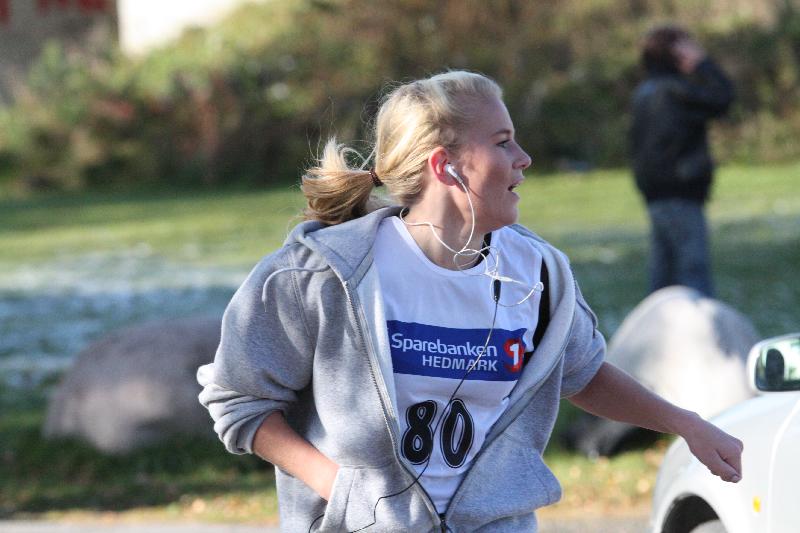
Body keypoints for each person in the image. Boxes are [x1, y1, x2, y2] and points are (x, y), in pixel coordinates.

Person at [198, 70, 742, 532]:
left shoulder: (539, 272)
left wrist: (687, 424)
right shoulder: (322, 274)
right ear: (445, 166)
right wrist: (343, 491)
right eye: (503, 142)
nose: (524, 158)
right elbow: (240, 402)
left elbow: (582, 373)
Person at [630, 25, 734, 297]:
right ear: (675, 52)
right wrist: (703, 64)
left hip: (655, 193)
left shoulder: (644, 91)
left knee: (664, 277)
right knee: (692, 275)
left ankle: (659, 322)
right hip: (681, 190)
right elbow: (722, 98)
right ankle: (698, 322)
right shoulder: (676, 92)